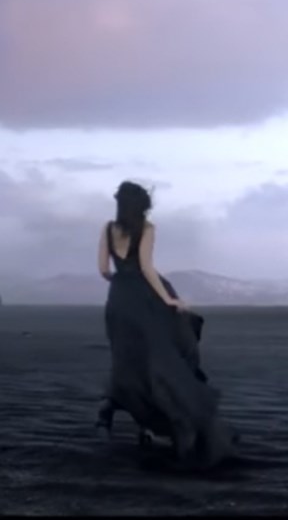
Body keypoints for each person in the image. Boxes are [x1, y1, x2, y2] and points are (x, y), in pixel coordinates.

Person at [95, 180, 236, 469]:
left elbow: (103, 270)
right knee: (164, 358)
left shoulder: (108, 229)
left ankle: (114, 413)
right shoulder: (146, 229)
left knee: (128, 363)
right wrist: (168, 300)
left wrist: (121, 282)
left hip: (118, 303)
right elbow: (147, 268)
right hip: (143, 301)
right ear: (142, 206)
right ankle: (162, 421)